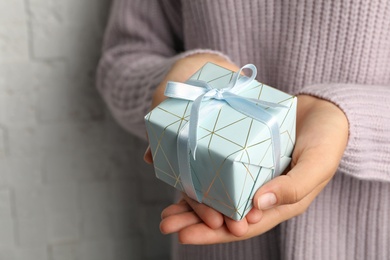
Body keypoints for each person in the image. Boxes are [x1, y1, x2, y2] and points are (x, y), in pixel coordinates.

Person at [97, 1, 390, 259]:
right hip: (215, 239)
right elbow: (123, 58)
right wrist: (171, 87)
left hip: (370, 237)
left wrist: (351, 118)